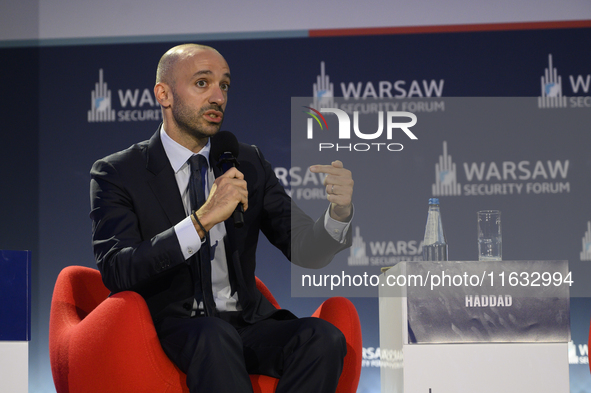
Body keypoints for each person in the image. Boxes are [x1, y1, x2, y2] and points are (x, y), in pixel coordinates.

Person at [90, 43, 354, 393]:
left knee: (323, 338)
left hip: (247, 322)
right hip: (175, 328)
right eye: (203, 83)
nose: (218, 97)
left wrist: (338, 213)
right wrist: (201, 221)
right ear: (164, 94)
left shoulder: (247, 161)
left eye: (224, 85)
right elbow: (117, 269)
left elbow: (304, 247)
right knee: (214, 336)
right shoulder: (119, 172)